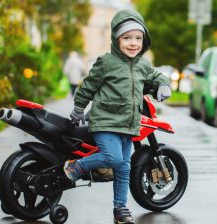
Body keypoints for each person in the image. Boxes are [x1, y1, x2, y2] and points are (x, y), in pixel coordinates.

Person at [64, 9, 171, 224]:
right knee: (114, 159)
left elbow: (154, 76)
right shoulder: (107, 62)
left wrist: (162, 85)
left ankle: (120, 209)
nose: (133, 43)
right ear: (116, 39)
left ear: (144, 40)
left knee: (124, 168)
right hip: (105, 122)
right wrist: (78, 109)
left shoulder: (142, 64)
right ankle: (76, 166)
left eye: (138, 38)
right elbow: (88, 86)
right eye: (127, 38)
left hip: (128, 125)